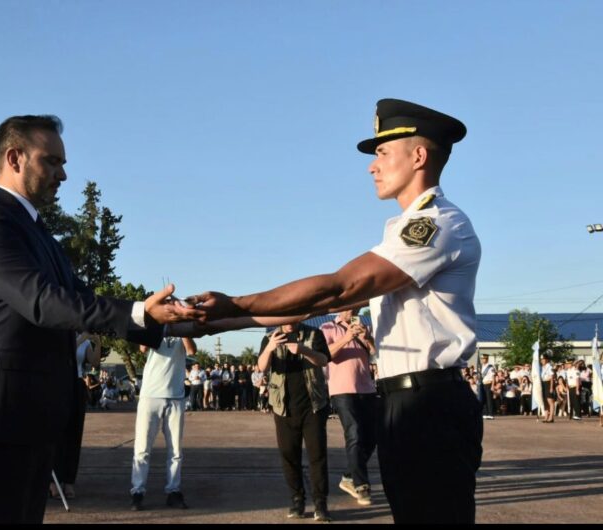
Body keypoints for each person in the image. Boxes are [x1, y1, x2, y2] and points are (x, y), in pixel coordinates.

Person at [187, 99, 483, 524]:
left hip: (430, 404)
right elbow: (321, 303)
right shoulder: (402, 234)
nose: (371, 166)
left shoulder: (438, 224)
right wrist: (217, 321)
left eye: (382, 152)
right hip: (404, 402)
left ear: (418, 156)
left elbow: (339, 287)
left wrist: (236, 302)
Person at [0, 114, 200, 524]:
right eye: (52, 162)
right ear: (14, 158)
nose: (63, 174)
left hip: (32, 417)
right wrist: (137, 311)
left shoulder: (40, 235)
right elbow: (43, 302)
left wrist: (168, 319)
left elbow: (80, 299)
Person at [259, 324, 331, 522]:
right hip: (283, 407)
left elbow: (324, 360)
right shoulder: (271, 337)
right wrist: (269, 348)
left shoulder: (313, 334)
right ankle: (297, 500)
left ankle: (320, 503)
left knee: (317, 456)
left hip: (313, 405)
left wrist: (303, 349)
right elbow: (261, 367)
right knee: (289, 456)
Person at [130, 336, 197, 512]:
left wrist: (182, 329)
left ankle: (173, 491)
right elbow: (143, 348)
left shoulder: (184, 325)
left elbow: (192, 351)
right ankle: (137, 491)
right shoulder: (156, 322)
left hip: (175, 395)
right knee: (142, 447)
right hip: (150, 394)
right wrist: (156, 325)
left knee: (175, 449)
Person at [320, 308, 377, 507]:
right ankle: (361, 485)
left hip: (367, 388)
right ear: (341, 308)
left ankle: (349, 476)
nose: (351, 311)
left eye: (355, 308)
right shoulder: (327, 327)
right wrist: (347, 337)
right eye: (348, 307)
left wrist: (367, 337)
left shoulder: (364, 326)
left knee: (373, 435)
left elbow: (375, 354)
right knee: (354, 433)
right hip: (342, 389)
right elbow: (325, 355)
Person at [51, 333, 101, 501]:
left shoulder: (84, 339)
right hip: (59, 382)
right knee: (58, 433)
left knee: (75, 433)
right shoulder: (60, 336)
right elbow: (65, 353)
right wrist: (81, 338)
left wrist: (97, 343)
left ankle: (69, 480)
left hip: (78, 383)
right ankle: (53, 481)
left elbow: (94, 362)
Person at [480, 354, 496, 419]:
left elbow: (493, 377)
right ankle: (485, 413)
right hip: (483, 384)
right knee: (484, 399)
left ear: (487, 359)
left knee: (489, 399)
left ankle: (491, 414)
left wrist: (492, 385)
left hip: (489, 384)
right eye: (482, 359)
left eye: (484, 359)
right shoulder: (481, 367)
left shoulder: (490, 367)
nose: (483, 360)